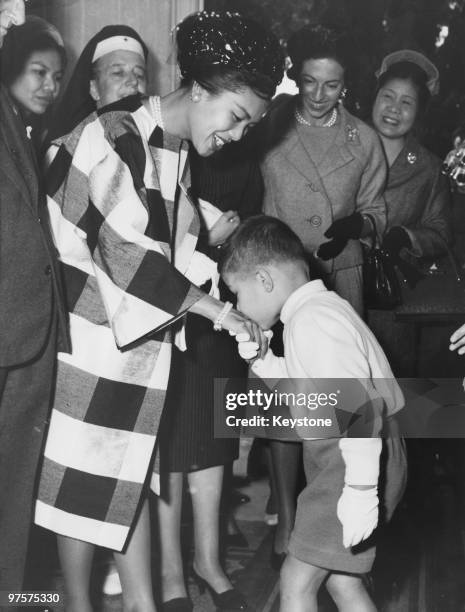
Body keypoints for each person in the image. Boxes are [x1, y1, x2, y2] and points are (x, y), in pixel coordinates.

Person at [34, 11, 283, 612]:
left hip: (125, 339)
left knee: (129, 477)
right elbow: (128, 257)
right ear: (198, 90)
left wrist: (237, 302)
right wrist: (219, 316)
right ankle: (76, 603)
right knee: (84, 485)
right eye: (237, 116)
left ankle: (143, 605)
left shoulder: (169, 146)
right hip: (81, 336)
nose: (239, 134)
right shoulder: (115, 133)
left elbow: (182, 240)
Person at [219, 215, 407, 612]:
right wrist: (267, 362)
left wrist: (359, 492)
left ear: (264, 280)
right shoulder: (319, 311)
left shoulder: (313, 322)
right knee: (343, 584)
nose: (238, 306)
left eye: (237, 293)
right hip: (360, 455)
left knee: (296, 582)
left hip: (351, 462)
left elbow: (359, 409)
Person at [258, 22, 388, 565]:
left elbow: (380, 214)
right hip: (277, 283)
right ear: (296, 77)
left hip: (340, 279)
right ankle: (287, 518)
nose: (317, 96)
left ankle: (335, 514)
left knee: (338, 405)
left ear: (346, 86)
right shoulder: (268, 128)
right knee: (283, 400)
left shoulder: (364, 138)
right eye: (309, 82)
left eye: (331, 86)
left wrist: (361, 226)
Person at [157, 139, 264, 612]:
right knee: (171, 447)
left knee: (215, 441)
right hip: (175, 309)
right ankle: (170, 573)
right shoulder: (171, 148)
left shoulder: (244, 154)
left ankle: (209, 561)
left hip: (224, 310)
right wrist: (206, 240)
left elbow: (256, 225)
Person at [0, 4, 69, 600]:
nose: (48, 86)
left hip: (25, 331)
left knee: (16, 479)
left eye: (55, 76)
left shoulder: (29, 130)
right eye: (37, 73)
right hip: (9, 329)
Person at [368, 50, 452, 376]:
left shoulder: (430, 168)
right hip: (335, 290)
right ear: (374, 97)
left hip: (394, 306)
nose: (394, 109)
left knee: (393, 400)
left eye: (407, 102)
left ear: (419, 113)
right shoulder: (345, 145)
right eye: (388, 96)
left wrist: (408, 237)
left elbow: (441, 232)